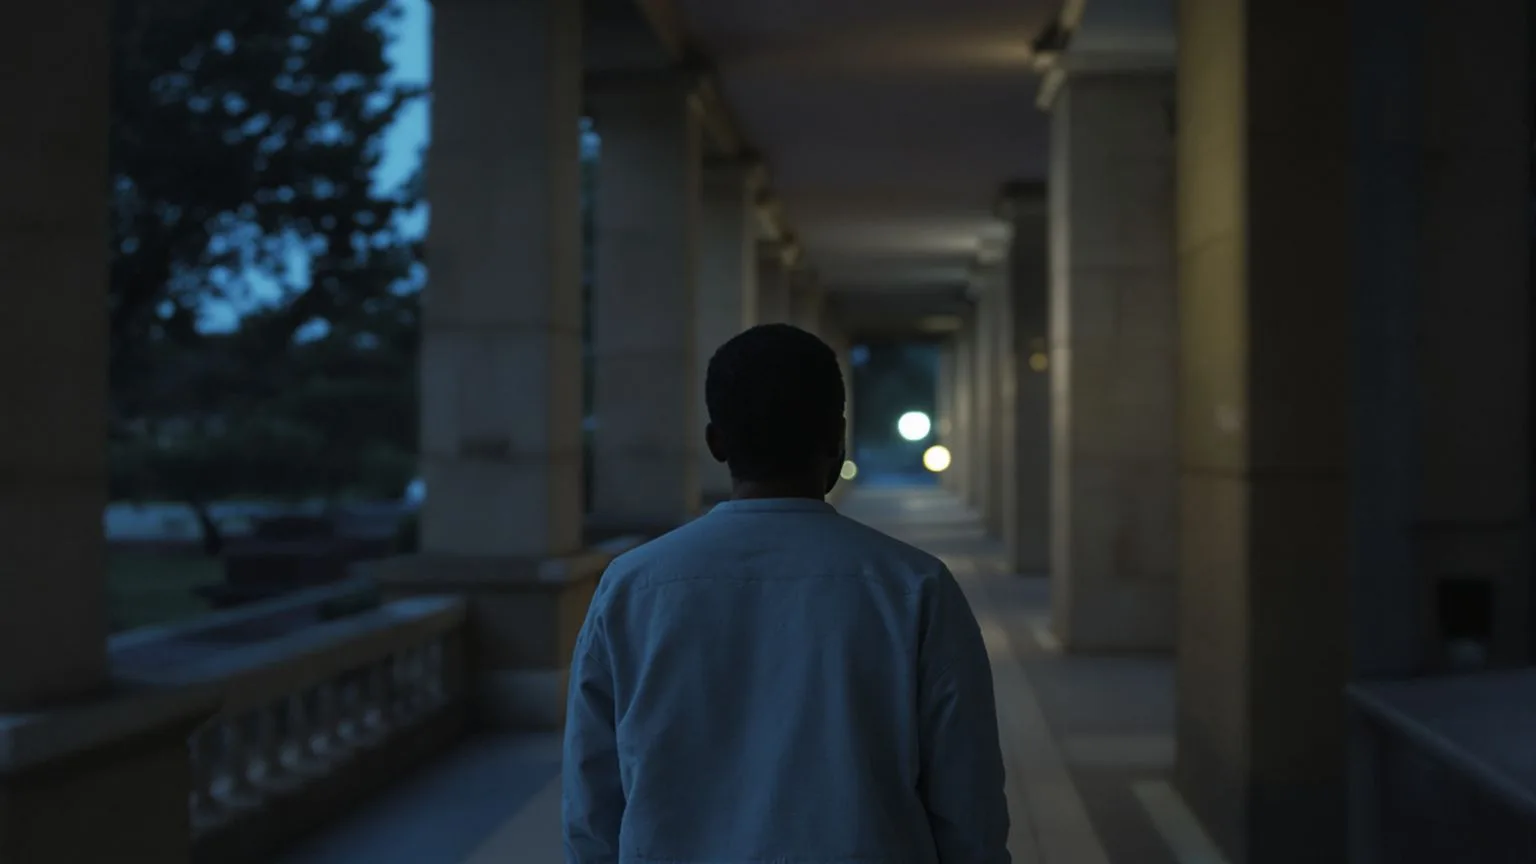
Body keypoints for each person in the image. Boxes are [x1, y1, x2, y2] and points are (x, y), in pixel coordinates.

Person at [562, 323, 1010, 864]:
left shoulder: (632, 587)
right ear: (838, 436)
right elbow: (969, 807)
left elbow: (591, 810)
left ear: (716, 441)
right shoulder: (915, 587)